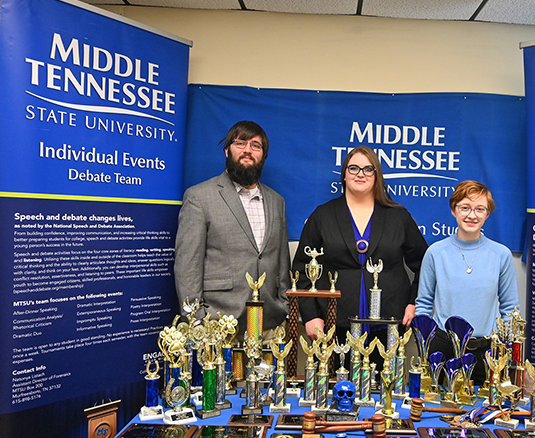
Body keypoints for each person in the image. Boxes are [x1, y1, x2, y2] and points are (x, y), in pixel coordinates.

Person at [292, 146, 428, 346]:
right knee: (338, 378)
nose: (360, 174)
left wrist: (414, 302)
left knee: (386, 378)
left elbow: (425, 265)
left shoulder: (399, 217)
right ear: (344, 175)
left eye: (368, 169)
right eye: (353, 168)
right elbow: (302, 270)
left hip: (389, 322)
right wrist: (310, 316)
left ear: (377, 175)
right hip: (333, 323)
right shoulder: (323, 216)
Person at [174, 120, 289, 336]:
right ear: (227, 151)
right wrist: (196, 320)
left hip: (269, 326)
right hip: (217, 324)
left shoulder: (276, 201)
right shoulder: (199, 197)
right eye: (240, 143)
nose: (248, 150)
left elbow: (282, 261)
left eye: (256, 145)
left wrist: (284, 307)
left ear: (263, 155)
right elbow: (187, 265)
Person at [415, 180, 519, 385]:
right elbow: (424, 304)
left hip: (487, 353)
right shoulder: (435, 252)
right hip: (442, 350)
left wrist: (506, 351)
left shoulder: (501, 254)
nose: (472, 215)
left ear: (487, 214)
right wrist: (425, 345)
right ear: (454, 210)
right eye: (465, 207)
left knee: (481, 413)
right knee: (438, 410)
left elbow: (510, 308)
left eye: (480, 209)